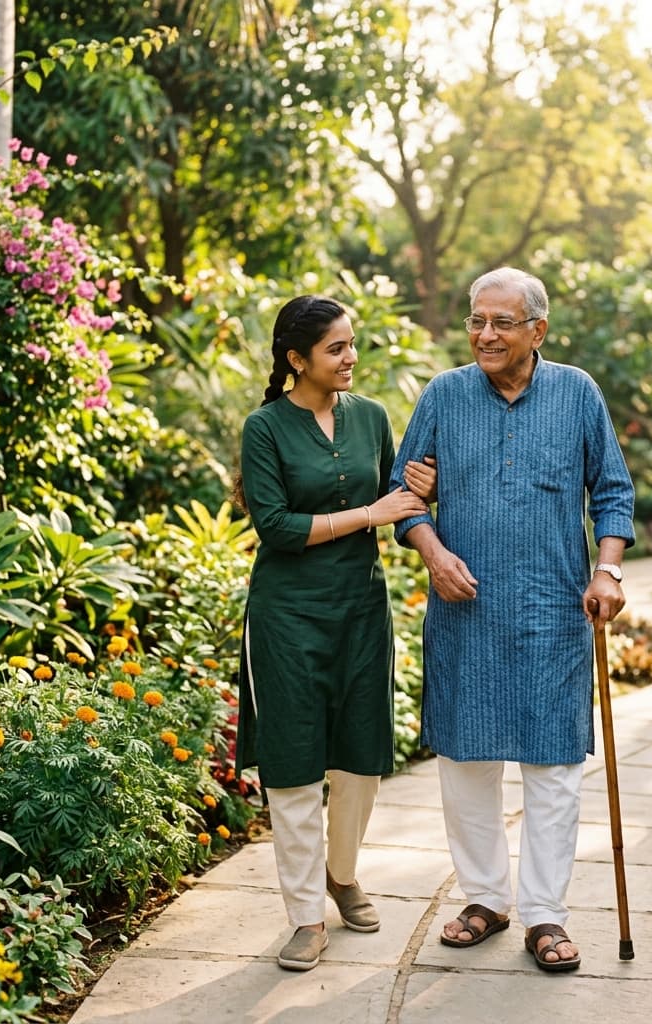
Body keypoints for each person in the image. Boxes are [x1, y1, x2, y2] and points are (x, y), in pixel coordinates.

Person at [389, 267, 635, 972]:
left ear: (538, 331)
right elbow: (402, 492)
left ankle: (546, 915)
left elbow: (612, 492)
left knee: (553, 764)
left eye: (501, 323)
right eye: (476, 321)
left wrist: (607, 569)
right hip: (465, 611)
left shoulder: (577, 393)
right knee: (466, 759)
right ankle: (485, 899)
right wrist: (431, 550)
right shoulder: (443, 395)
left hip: (554, 609)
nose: (485, 335)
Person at [235, 295, 436, 972]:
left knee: (359, 759)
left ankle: (342, 875)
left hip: (360, 609)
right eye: (336, 348)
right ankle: (303, 916)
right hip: (287, 616)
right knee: (292, 764)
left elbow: (396, 504)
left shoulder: (373, 417)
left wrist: (416, 494)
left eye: (353, 344)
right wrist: (371, 512)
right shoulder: (265, 429)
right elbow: (278, 529)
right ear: (297, 359)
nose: (351, 357)